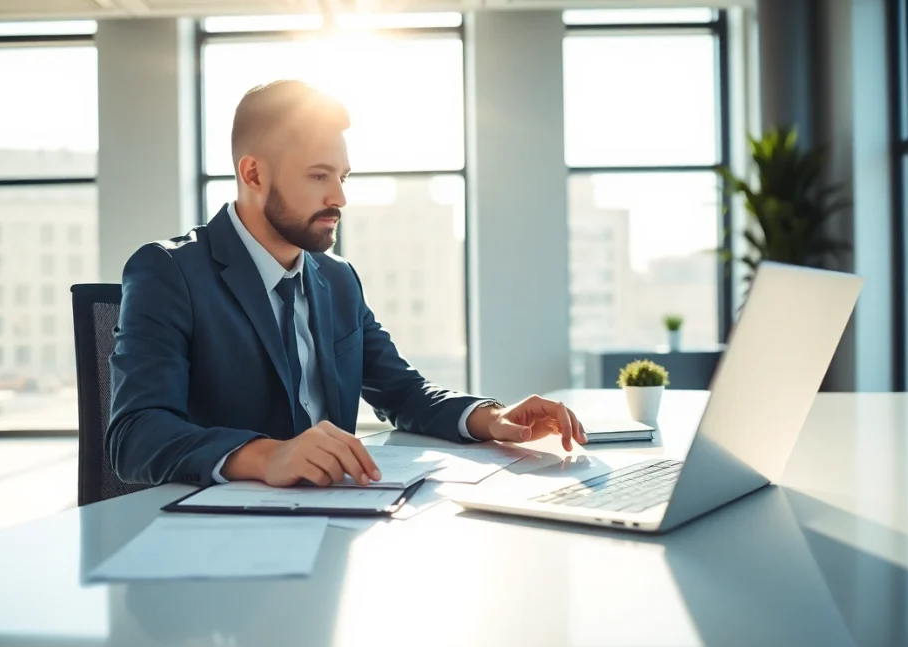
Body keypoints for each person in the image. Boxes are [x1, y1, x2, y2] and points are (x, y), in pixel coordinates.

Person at [107, 80, 587, 488]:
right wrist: (268, 455)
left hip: (337, 514)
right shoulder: (168, 272)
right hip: (216, 532)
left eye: (342, 177)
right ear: (252, 173)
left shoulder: (337, 279)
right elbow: (135, 434)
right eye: (319, 176)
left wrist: (493, 418)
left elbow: (403, 392)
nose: (339, 197)